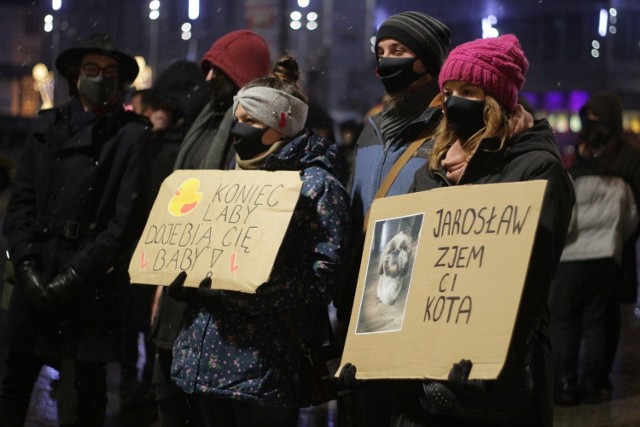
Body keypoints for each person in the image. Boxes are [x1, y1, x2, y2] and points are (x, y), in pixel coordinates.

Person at [391, 34, 573, 427]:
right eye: (449, 91)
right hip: (428, 366)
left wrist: (479, 346)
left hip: (500, 371)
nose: (455, 101)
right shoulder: (433, 169)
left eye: (469, 90)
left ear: (495, 100)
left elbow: (531, 278)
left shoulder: (536, 167)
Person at [166, 55, 351, 426]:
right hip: (206, 361)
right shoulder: (227, 178)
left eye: (251, 121)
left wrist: (246, 292)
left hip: (266, 367)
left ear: (280, 124)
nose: (239, 130)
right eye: (238, 120)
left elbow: (320, 279)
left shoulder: (316, 187)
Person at [0, 33, 152, 426]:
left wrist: (73, 277)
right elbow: (20, 206)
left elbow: (123, 223)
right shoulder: (46, 127)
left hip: (91, 285)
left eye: (109, 72)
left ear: (120, 81)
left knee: (89, 392)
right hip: (38, 270)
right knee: (13, 385)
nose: (99, 79)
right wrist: (28, 268)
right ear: (74, 74)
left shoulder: (132, 136)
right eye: (91, 70)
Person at [149, 29, 271, 426]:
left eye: (218, 70)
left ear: (242, 77)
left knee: (209, 408)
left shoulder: (253, 139)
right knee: (167, 395)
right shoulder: (204, 123)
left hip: (215, 298)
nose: (208, 80)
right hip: (177, 286)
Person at [335, 11, 451, 426]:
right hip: (363, 301)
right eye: (381, 51)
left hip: (414, 298)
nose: (386, 61)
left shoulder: (449, 128)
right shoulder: (372, 130)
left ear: (428, 61)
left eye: (398, 51)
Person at [120, 59, 208, 412]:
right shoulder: (152, 141)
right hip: (143, 246)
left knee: (157, 329)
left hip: (168, 249)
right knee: (137, 325)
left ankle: (146, 393)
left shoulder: (190, 144)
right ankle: (135, 392)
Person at [550, 91, 640, 406]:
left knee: (572, 321)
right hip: (607, 254)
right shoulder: (612, 168)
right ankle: (593, 385)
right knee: (597, 322)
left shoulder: (582, 166)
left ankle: (569, 383)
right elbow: (630, 216)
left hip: (578, 257)